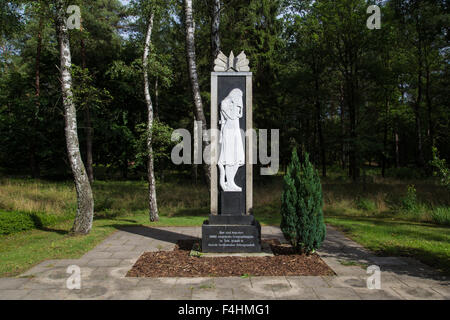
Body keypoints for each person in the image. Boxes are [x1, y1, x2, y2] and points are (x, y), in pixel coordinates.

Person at [218, 88, 245, 192]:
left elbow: (239, 115)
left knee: (237, 159)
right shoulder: (224, 103)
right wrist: (234, 105)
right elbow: (232, 116)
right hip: (228, 131)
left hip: (236, 131)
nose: (239, 99)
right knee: (230, 159)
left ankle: (231, 182)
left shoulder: (236, 103)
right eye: (239, 97)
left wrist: (240, 107)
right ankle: (229, 183)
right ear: (234, 94)